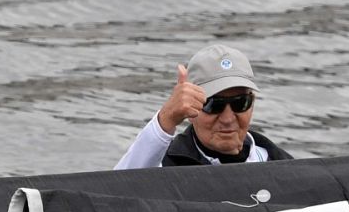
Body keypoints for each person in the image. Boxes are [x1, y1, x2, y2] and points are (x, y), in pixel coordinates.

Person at [115, 43, 292, 169]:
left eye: (240, 103)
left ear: (252, 103)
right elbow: (115, 194)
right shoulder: (164, 165)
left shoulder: (280, 164)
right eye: (213, 105)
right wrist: (167, 119)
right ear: (190, 111)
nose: (228, 118)